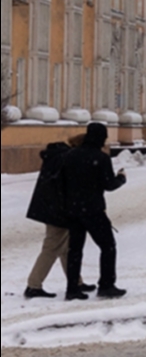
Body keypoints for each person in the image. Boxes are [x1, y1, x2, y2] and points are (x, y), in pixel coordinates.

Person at [60, 121, 127, 300]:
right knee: (107, 246)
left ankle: (72, 288)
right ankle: (106, 284)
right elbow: (108, 184)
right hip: (93, 209)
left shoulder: (70, 155)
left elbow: (62, 182)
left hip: (73, 209)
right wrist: (121, 179)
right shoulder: (101, 158)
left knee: (75, 249)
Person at [23, 133, 85, 299]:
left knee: (65, 248)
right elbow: (67, 187)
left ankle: (76, 281)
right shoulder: (65, 159)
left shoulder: (57, 156)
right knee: (52, 248)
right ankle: (33, 285)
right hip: (58, 211)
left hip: (52, 208)